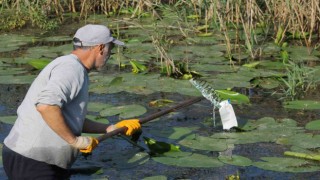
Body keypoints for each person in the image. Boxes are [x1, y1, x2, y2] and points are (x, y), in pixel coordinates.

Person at [2, 24, 141, 179]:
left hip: (31, 158)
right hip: (34, 160)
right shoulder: (71, 68)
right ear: (101, 48)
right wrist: (74, 141)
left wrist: (111, 128)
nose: (110, 53)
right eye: (110, 48)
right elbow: (46, 106)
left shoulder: (72, 66)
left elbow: (69, 118)